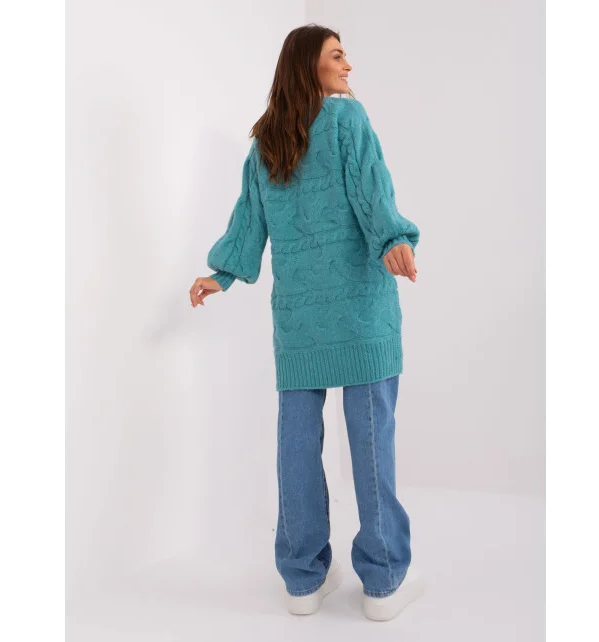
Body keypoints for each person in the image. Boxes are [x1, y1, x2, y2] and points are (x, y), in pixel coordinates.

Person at [189, 24, 425, 621]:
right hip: (361, 311)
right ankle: (383, 581)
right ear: (308, 65)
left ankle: (302, 580)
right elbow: (371, 192)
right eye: (337, 55)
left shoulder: (267, 140)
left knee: (296, 444)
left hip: (298, 319)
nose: (348, 64)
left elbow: (249, 221)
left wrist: (221, 274)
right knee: (371, 440)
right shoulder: (347, 119)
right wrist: (394, 239)